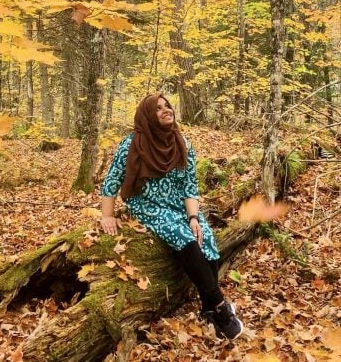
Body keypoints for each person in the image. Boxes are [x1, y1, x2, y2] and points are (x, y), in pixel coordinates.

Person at [100, 93, 243, 340]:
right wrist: (107, 216)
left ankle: (208, 308)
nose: (166, 110)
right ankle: (220, 307)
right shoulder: (132, 144)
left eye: (167, 106)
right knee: (183, 238)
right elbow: (111, 181)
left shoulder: (183, 143)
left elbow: (189, 187)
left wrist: (194, 219)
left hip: (177, 205)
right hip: (147, 205)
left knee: (204, 238)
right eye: (158, 108)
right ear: (147, 116)